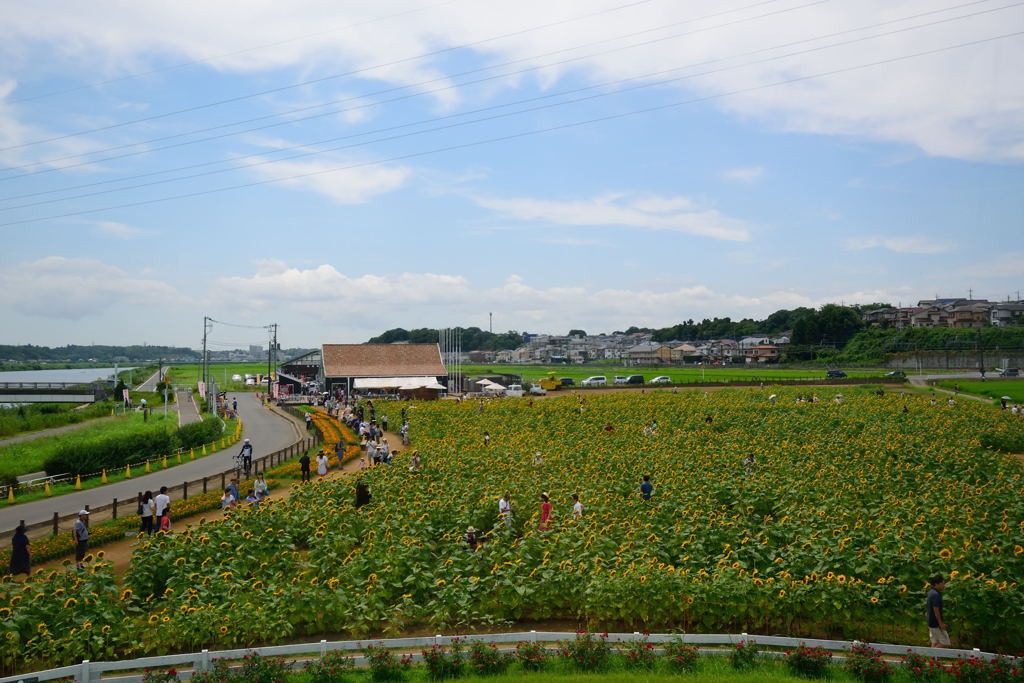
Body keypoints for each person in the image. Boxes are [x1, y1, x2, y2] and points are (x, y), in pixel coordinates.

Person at [926, 575, 950, 647]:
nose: (944, 585)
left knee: (935, 641)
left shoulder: (931, 592)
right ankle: (930, 656)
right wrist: (940, 623)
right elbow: (936, 610)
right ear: (936, 584)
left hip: (931, 621)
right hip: (935, 622)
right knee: (945, 642)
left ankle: (930, 658)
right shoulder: (935, 595)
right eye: (942, 583)